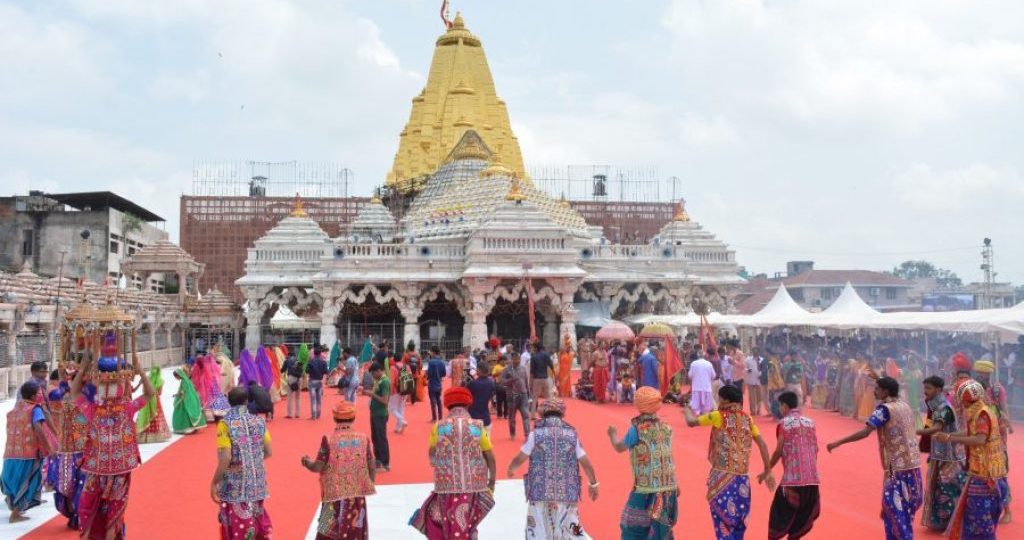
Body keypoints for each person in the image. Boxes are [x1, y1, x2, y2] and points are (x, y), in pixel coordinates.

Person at [71, 335, 156, 540]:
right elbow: (150, 394)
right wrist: (140, 370)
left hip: (110, 468)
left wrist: (83, 368)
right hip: (104, 467)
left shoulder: (104, 409)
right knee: (96, 506)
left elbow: (75, 393)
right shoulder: (117, 408)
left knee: (101, 507)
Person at [827, 376, 923, 540]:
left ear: (885, 391)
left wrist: (839, 442)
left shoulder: (884, 410)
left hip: (895, 468)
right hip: (913, 465)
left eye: (877, 388)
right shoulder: (905, 405)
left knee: (896, 511)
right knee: (905, 510)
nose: (874, 391)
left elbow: (865, 432)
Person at [683, 384, 775, 539]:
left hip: (722, 478)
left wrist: (686, 410)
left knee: (722, 522)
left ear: (725, 400)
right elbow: (763, 445)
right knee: (738, 521)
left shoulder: (719, 416)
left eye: (720, 398)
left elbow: (691, 422)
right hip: (742, 479)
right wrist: (768, 470)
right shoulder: (748, 419)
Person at [410, 387, 497, 539]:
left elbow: (432, 454)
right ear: (468, 404)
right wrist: (491, 482)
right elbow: (490, 456)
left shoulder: (439, 426)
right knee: (467, 523)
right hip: (473, 486)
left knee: (446, 522)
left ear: (447, 405)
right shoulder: (477, 426)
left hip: (446, 486)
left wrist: (442, 464)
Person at [507, 397, 599, 539]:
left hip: (539, 492)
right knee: (570, 527)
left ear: (543, 413)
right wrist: (593, 484)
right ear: (562, 415)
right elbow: (586, 462)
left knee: (538, 529)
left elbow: (521, 457)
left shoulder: (535, 435)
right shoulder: (572, 435)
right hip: (567, 492)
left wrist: (511, 468)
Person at [938, 379, 1010, 539]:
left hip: (985, 474)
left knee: (979, 520)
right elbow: (969, 432)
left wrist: (950, 439)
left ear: (966, 398)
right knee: (975, 517)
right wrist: (948, 436)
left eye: (961, 399)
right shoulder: (980, 411)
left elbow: (979, 439)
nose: (960, 403)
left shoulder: (982, 414)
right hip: (984, 472)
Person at [607, 386, 678, 539]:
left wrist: (612, 435)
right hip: (668, 487)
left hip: (646, 488)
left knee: (632, 527)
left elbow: (620, 447)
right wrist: (675, 483)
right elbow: (668, 457)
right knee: (661, 527)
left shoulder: (637, 429)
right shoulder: (666, 427)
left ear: (639, 404)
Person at [301, 401, 376, 540]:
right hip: (356, 496)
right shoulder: (363, 439)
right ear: (353, 418)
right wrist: (369, 483)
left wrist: (306, 462)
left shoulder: (329, 440)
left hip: (332, 496)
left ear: (335, 418)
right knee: (355, 530)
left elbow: (318, 466)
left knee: (325, 531)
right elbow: (372, 465)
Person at [211, 387, 273, 540]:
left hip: (234, 487)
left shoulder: (225, 424)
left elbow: (225, 457)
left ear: (228, 402)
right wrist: (252, 461)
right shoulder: (259, 421)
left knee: (240, 528)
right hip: (257, 484)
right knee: (257, 524)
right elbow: (269, 452)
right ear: (246, 401)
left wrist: (214, 482)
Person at [766, 391, 820, 540]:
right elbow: (815, 448)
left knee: (778, 516)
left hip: (792, 481)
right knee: (800, 520)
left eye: (780, 405)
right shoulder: (810, 422)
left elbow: (778, 451)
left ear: (784, 405)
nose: (779, 409)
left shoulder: (784, 424)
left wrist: (767, 469)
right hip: (812, 480)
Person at [917, 375, 966, 532]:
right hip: (940, 454)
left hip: (949, 456)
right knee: (940, 487)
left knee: (947, 487)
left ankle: (953, 523)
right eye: (924, 388)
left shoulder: (944, 407)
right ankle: (943, 522)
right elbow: (931, 425)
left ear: (938, 389)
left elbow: (936, 428)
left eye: (928, 388)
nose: (925, 391)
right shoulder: (935, 405)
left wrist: (913, 431)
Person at [972, 359, 1013, 523]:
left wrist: (1006, 425)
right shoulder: (974, 390)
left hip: (996, 439)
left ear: (990, 373)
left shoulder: (997, 390)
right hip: (978, 437)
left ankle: (1007, 510)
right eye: (981, 373)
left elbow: (1004, 409)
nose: (983, 375)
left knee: (999, 474)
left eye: (986, 373)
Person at [2, 381, 49, 523]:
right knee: (29, 482)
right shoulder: (35, 409)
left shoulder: (15, 409)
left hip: (10, 454)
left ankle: (15, 508)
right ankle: (15, 514)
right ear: (35, 395)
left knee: (14, 483)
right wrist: (49, 448)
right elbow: (38, 428)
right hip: (28, 454)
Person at [46, 379, 87, 529]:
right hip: (67, 450)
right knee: (67, 486)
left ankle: (80, 517)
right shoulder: (62, 395)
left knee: (80, 486)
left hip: (83, 449)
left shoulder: (87, 396)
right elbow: (51, 396)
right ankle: (75, 516)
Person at [363, 363, 390, 471]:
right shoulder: (379, 381)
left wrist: (371, 394)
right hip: (374, 413)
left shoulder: (385, 382)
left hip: (380, 414)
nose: (373, 376)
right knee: (375, 438)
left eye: (373, 373)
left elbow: (384, 401)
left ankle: (384, 462)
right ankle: (378, 460)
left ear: (379, 370)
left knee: (381, 438)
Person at [500, 351, 532, 440]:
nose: (517, 360)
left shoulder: (523, 368)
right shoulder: (507, 370)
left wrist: (529, 394)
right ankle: (512, 433)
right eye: (515, 359)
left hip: (523, 394)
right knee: (512, 417)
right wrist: (510, 380)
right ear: (511, 359)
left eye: (518, 359)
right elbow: (501, 381)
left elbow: (526, 381)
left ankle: (527, 434)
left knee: (525, 415)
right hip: (512, 396)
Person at [135, 366, 171, 444]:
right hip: (156, 400)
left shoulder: (147, 379)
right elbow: (160, 393)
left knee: (145, 416)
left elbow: (144, 390)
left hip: (146, 399)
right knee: (156, 416)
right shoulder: (160, 381)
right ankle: (155, 435)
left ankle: (145, 435)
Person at [172, 367, 207, 434]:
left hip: (185, 399)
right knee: (188, 412)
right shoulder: (186, 380)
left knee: (185, 412)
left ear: (179, 375)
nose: (176, 378)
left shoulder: (184, 381)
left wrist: (177, 395)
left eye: (176, 377)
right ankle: (193, 427)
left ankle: (187, 427)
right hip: (188, 398)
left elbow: (183, 392)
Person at [467, 362, 496, 435]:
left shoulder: (472, 383)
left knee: (473, 443)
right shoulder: (491, 383)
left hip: (473, 417)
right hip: (485, 417)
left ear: (478, 370)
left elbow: (465, 396)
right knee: (486, 443)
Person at [529, 343, 554, 416]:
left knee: (534, 398)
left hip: (536, 379)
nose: (533, 349)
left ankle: (533, 414)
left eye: (533, 348)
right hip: (545, 378)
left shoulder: (533, 357)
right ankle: (550, 413)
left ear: (536, 348)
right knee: (547, 397)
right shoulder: (546, 355)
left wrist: (530, 382)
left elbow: (532, 371)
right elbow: (551, 366)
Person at [688, 350, 717, 415]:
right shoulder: (709, 364)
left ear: (697, 356)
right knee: (706, 406)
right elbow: (714, 376)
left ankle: (698, 415)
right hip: (706, 387)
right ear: (704, 356)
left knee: (696, 405)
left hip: (696, 387)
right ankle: (705, 416)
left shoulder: (693, 364)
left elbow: (690, 375)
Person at [388, 354, 409, 433]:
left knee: (392, 408)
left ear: (394, 359)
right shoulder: (406, 367)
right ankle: (398, 427)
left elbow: (392, 381)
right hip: (405, 389)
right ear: (401, 358)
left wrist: (390, 391)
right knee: (401, 408)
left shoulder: (393, 368)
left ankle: (402, 421)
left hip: (396, 390)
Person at [426, 346, 447, 422]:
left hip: (432, 383)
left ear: (433, 352)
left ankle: (434, 418)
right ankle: (440, 417)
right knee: (439, 400)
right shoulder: (442, 362)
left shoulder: (431, 362)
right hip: (439, 383)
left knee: (432, 400)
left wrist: (427, 375)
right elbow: (444, 373)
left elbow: (429, 374)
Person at [308, 344, 329, 420]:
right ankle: (318, 414)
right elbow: (326, 372)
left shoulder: (311, 361)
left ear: (314, 353)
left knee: (313, 399)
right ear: (320, 353)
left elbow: (307, 370)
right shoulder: (323, 362)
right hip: (320, 381)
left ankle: (313, 415)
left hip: (312, 380)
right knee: (319, 399)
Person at [283, 350, 304, 418]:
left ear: (288, 355)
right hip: (299, 379)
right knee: (298, 397)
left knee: (290, 397)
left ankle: (290, 414)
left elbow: (282, 370)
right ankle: (297, 414)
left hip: (291, 378)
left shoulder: (287, 360)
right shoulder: (298, 360)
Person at [745, 348, 764, 416]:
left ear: (759, 352)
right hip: (751, 380)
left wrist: (761, 374)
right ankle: (752, 411)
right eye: (754, 351)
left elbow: (764, 369)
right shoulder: (748, 359)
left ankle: (759, 409)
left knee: (759, 396)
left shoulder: (762, 360)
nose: (755, 353)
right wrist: (748, 370)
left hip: (759, 381)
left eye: (757, 351)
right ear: (752, 352)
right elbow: (744, 368)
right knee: (751, 397)